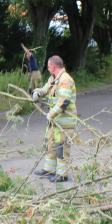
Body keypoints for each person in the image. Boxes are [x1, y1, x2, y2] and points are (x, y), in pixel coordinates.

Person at [31, 55, 77, 183]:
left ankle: (62, 174)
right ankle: (49, 170)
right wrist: (37, 92)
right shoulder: (53, 78)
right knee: (50, 145)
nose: (47, 68)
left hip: (64, 123)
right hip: (54, 122)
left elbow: (64, 101)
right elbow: (45, 89)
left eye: (48, 65)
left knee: (61, 148)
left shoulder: (65, 80)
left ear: (54, 66)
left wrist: (51, 114)